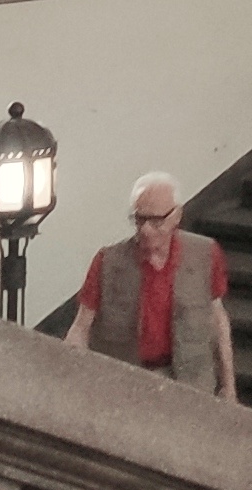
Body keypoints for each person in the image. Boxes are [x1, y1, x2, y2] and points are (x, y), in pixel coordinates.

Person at [62, 171, 236, 404]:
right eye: (139, 220)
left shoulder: (205, 254)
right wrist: (70, 375)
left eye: (156, 222)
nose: (145, 230)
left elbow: (217, 319)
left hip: (191, 383)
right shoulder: (108, 262)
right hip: (125, 383)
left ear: (177, 216)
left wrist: (229, 387)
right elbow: (82, 326)